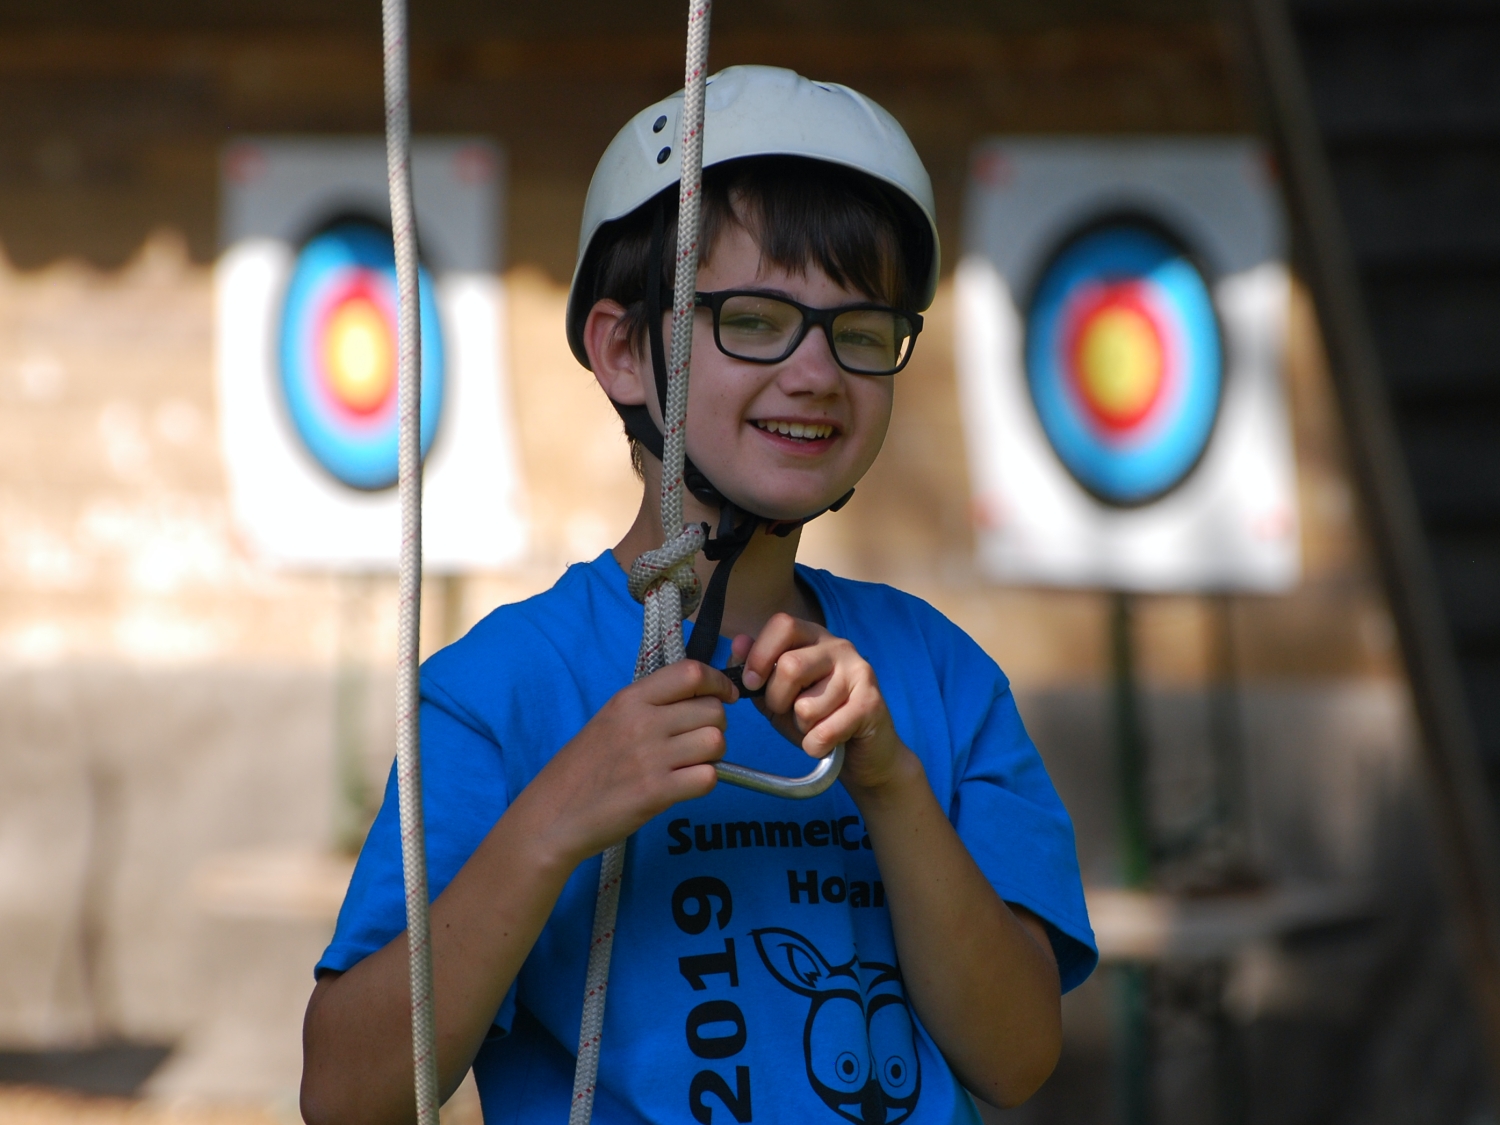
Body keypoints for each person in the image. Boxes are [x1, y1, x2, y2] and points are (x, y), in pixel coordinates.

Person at [301, 66, 1096, 1125]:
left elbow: (1018, 1056)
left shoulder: (942, 679)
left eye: (862, 332)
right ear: (625, 349)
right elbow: (347, 1096)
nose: (817, 373)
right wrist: (553, 821)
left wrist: (894, 786)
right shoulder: (496, 695)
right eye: (757, 320)